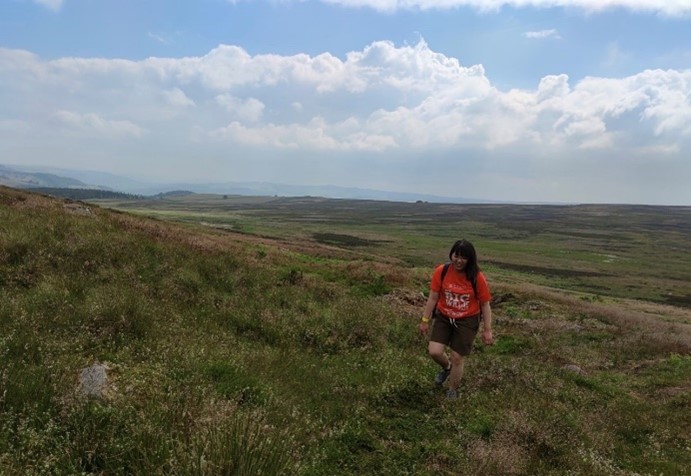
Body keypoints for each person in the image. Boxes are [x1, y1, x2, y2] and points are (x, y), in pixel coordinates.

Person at [418, 239, 494, 399]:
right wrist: (425, 320)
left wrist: (487, 330)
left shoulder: (477, 277)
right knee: (434, 351)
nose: (459, 261)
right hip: (444, 317)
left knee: (457, 357)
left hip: (467, 320)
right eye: (456, 256)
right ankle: (447, 368)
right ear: (451, 254)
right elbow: (433, 297)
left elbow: (485, 304)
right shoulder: (442, 271)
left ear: (470, 259)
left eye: (464, 258)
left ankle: (452, 390)